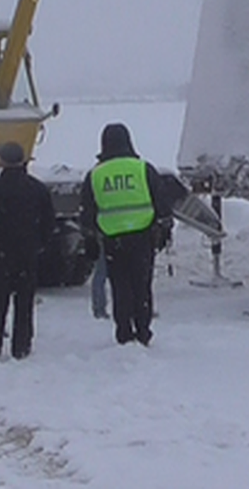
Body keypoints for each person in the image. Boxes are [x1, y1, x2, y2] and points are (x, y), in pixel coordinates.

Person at [79, 123, 173, 346]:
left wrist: (90, 239)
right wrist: (165, 231)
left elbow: (87, 211)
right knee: (142, 286)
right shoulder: (143, 169)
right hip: (142, 237)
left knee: (120, 287)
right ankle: (143, 330)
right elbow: (162, 203)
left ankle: (124, 332)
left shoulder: (95, 175)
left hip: (113, 239)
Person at [0, 141, 56, 360]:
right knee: (24, 303)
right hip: (27, 254)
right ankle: (22, 347)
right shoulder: (37, 189)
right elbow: (49, 222)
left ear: (2, 160)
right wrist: (38, 244)